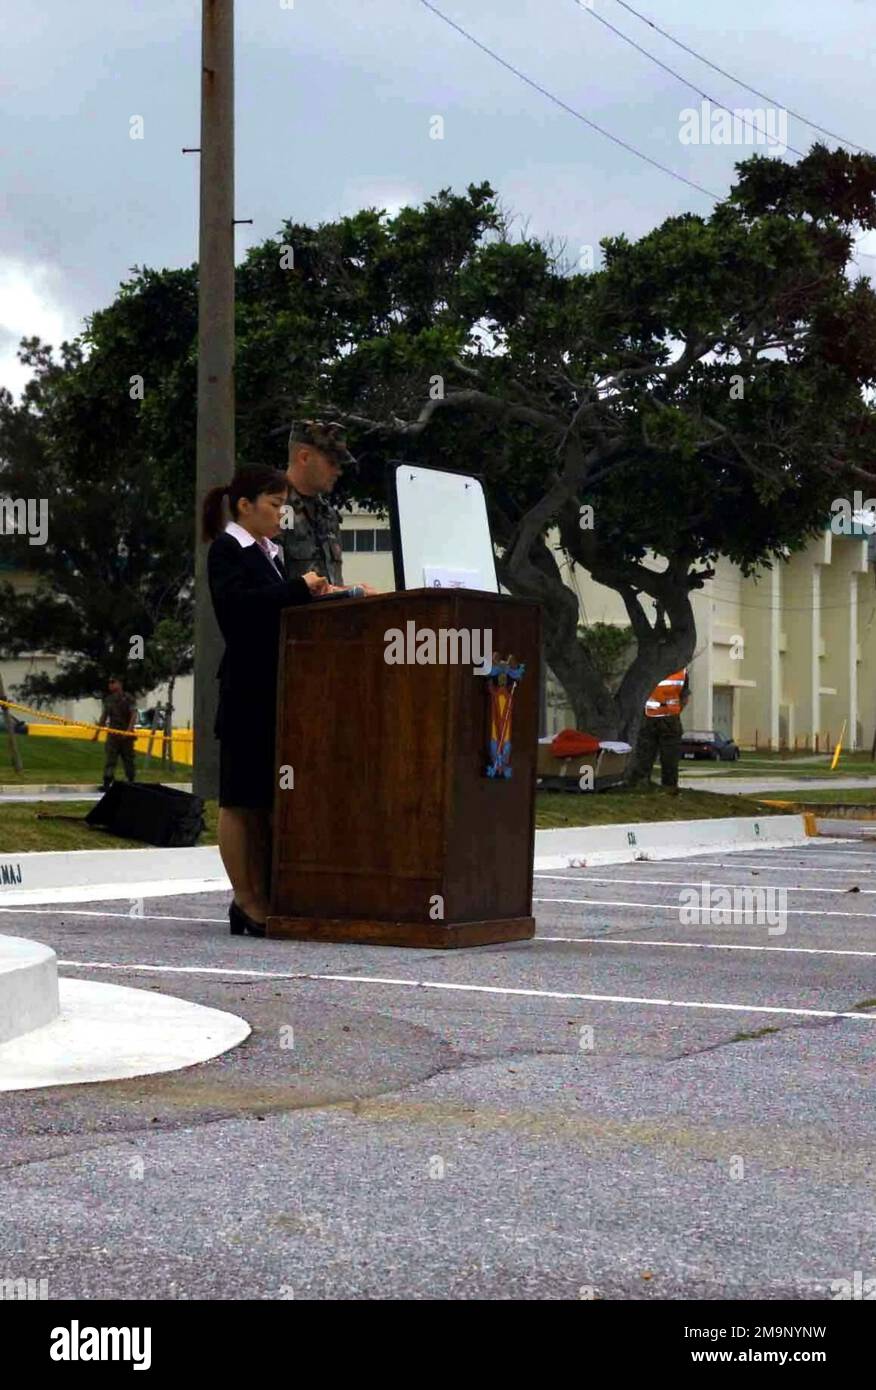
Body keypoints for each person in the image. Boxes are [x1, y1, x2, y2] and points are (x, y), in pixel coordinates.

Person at [203, 464, 330, 937]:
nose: (282, 515)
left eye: (284, 506)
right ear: (244, 505)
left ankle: (268, 892)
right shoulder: (227, 550)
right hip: (246, 693)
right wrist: (298, 588)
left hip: (278, 691)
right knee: (240, 801)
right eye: (275, 505)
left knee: (266, 799)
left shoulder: (269, 553)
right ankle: (246, 898)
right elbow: (239, 613)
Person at [279, 419, 376, 594]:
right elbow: (273, 589)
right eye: (332, 463)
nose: (338, 471)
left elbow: (329, 585)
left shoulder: (328, 515)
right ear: (304, 457)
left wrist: (351, 591)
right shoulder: (273, 509)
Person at [627, 667, 690, 794]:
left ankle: (642, 783)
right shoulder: (681, 672)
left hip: (651, 717)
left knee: (646, 754)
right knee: (668, 756)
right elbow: (684, 697)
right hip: (669, 719)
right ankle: (668, 786)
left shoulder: (647, 668)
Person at [92, 676, 137, 791]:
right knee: (110, 760)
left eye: (113, 682)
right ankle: (107, 782)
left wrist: (128, 731)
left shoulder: (128, 698)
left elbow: (133, 715)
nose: (110, 685)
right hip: (113, 735)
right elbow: (104, 717)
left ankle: (131, 781)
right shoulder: (109, 700)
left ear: (120, 684)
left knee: (128, 760)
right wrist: (97, 733)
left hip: (126, 736)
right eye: (109, 683)